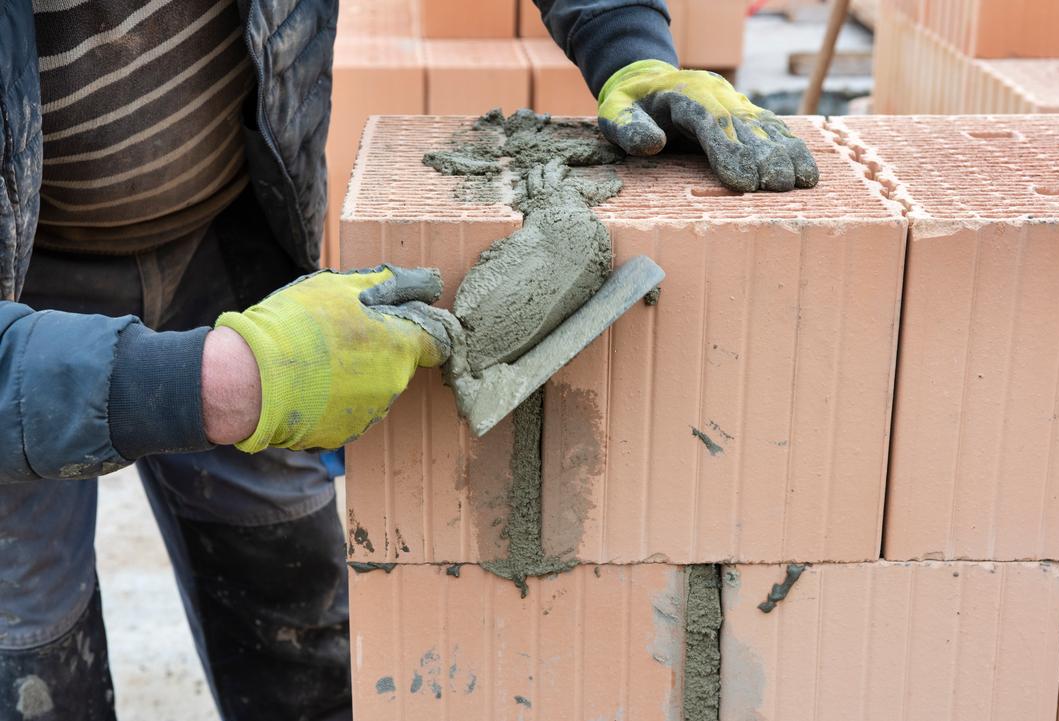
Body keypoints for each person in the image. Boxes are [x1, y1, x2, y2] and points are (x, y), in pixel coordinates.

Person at [0, 0, 818, 718]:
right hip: (23, 293)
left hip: (229, 244)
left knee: (296, 616)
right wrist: (218, 383)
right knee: (30, 654)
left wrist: (626, 38)